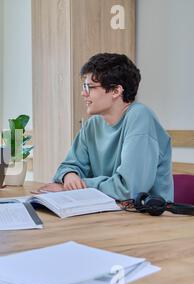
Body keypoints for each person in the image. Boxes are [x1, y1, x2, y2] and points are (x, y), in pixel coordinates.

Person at [38, 53, 173, 201]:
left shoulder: (140, 117)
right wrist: (69, 176)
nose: (83, 93)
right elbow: (67, 167)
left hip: (148, 218)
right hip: (109, 211)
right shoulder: (92, 124)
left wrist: (77, 186)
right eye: (84, 86)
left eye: (90, 87)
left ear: (116, 91)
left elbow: (129, 189)